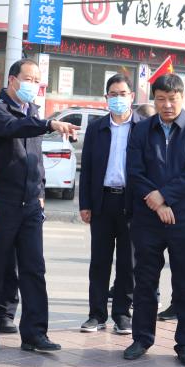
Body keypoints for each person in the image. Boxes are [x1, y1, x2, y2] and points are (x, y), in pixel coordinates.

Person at [0, 59, 78, 352]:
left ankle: (34, 334)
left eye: (37, 80)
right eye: (28, 79)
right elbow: (13, 128)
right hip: (2, 201)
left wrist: (40, 190)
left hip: (30, 203)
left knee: (34, 270)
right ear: (12, 80)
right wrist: (48, 124)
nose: (33, 85)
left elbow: (35, 157)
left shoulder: (32, 111)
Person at [123, 74, 185, 367]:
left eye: (172, 99)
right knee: (145, 281)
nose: (167, 105)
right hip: (148, 218)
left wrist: (164, 196)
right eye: (160, 99)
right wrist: (156, 201)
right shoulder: (141, 129)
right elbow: (134, 170)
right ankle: (142, 338)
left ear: (182, 98)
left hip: (184, 218)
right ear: (154, 99)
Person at [79, 74, 141, 335]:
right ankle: (96, 314)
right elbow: (87, 168)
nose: (118, 99)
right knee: (100, 261)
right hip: (103, 201)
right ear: (106, 97)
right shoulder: (97, 128)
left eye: (122, 94)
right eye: (113, 94)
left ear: (132, 97)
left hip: (131, 203)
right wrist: (85, 203)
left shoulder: (142, 127)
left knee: (128, 263)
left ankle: (122, 314)